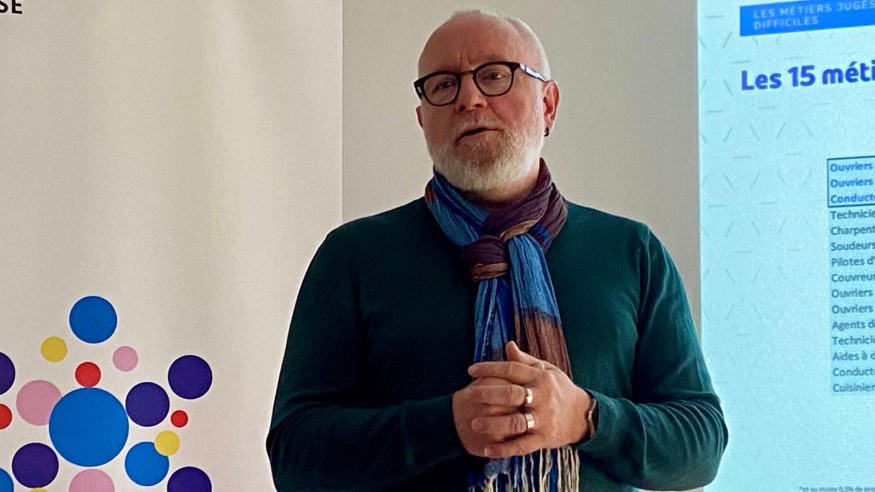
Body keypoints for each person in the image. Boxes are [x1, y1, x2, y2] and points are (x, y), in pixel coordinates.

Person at [267, 9, 727, 492]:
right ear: (423, 120)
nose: (469, 98)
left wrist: (586, 417)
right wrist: (446, 425)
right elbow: (295, 455)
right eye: (443, 85)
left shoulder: (631, 252)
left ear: (548, 104)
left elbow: (701, 443)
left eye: (494, 76)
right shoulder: (354, 256)